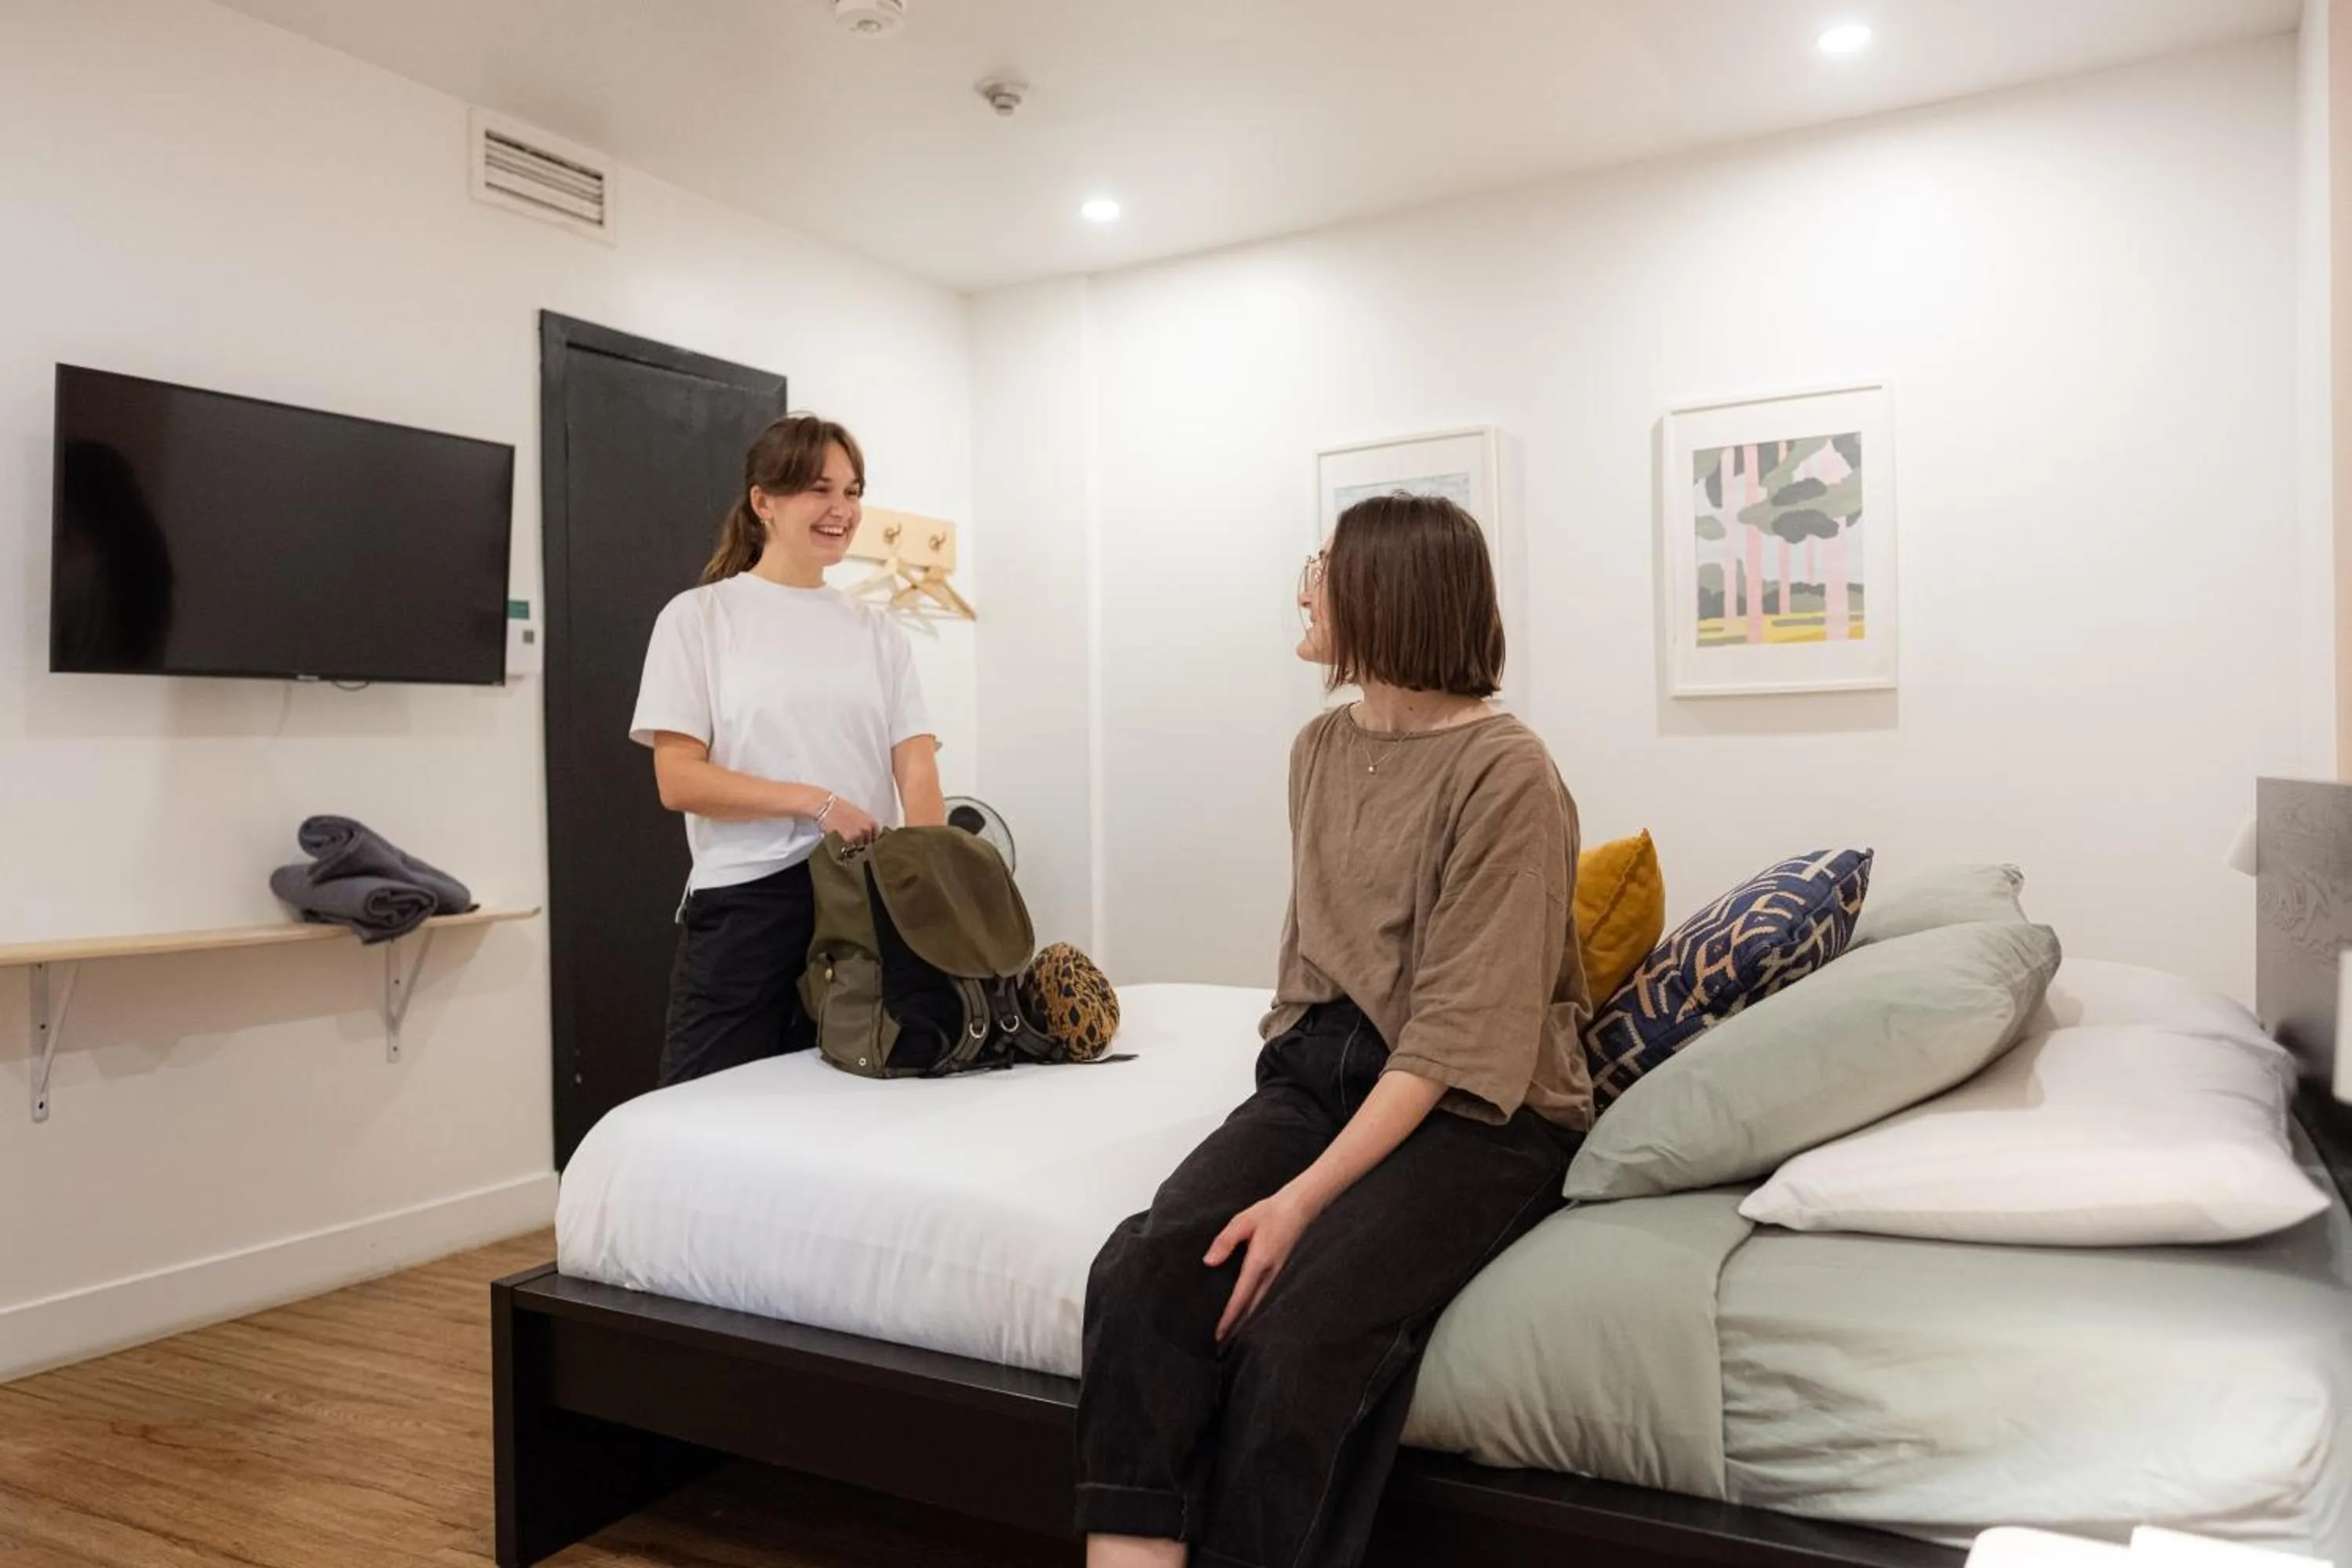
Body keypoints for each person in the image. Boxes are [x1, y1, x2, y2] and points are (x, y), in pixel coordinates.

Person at [1073, 492, 1593, 1568]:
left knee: (1299, 1332)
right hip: (1322, 1070)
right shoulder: (1318, 745)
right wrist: (1282, 1121)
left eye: (1322, 565)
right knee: (1147, 1271)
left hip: (1478, 1110)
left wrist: (1300, 1201)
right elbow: (1313, 956)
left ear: (1387, 593)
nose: (1305, 587)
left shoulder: (1510, 774)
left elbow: (1458, 1035)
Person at [629, 413, 945, 1087]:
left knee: (846, 1105)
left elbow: (916, 765)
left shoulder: (877, 632)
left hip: (862, 902)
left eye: (853, 492)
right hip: (748, 905)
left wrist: (929, 887)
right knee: (703, 1110)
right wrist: (813, 802)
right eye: (818, 490)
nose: (841, 510)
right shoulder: (700, 618)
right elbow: (678, 780)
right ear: (763, 502)